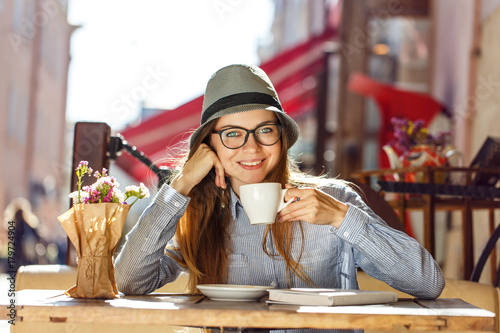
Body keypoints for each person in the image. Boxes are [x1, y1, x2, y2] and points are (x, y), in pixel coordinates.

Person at [115, 64, 445, 309]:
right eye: (232, 134)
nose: (252, 148)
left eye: (265, 130)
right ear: (209, 146)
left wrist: (342, 218)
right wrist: (183, 181)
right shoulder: (198, 218)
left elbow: (428, 284)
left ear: (282, 137)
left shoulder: (335, 201)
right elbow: (131, 282)